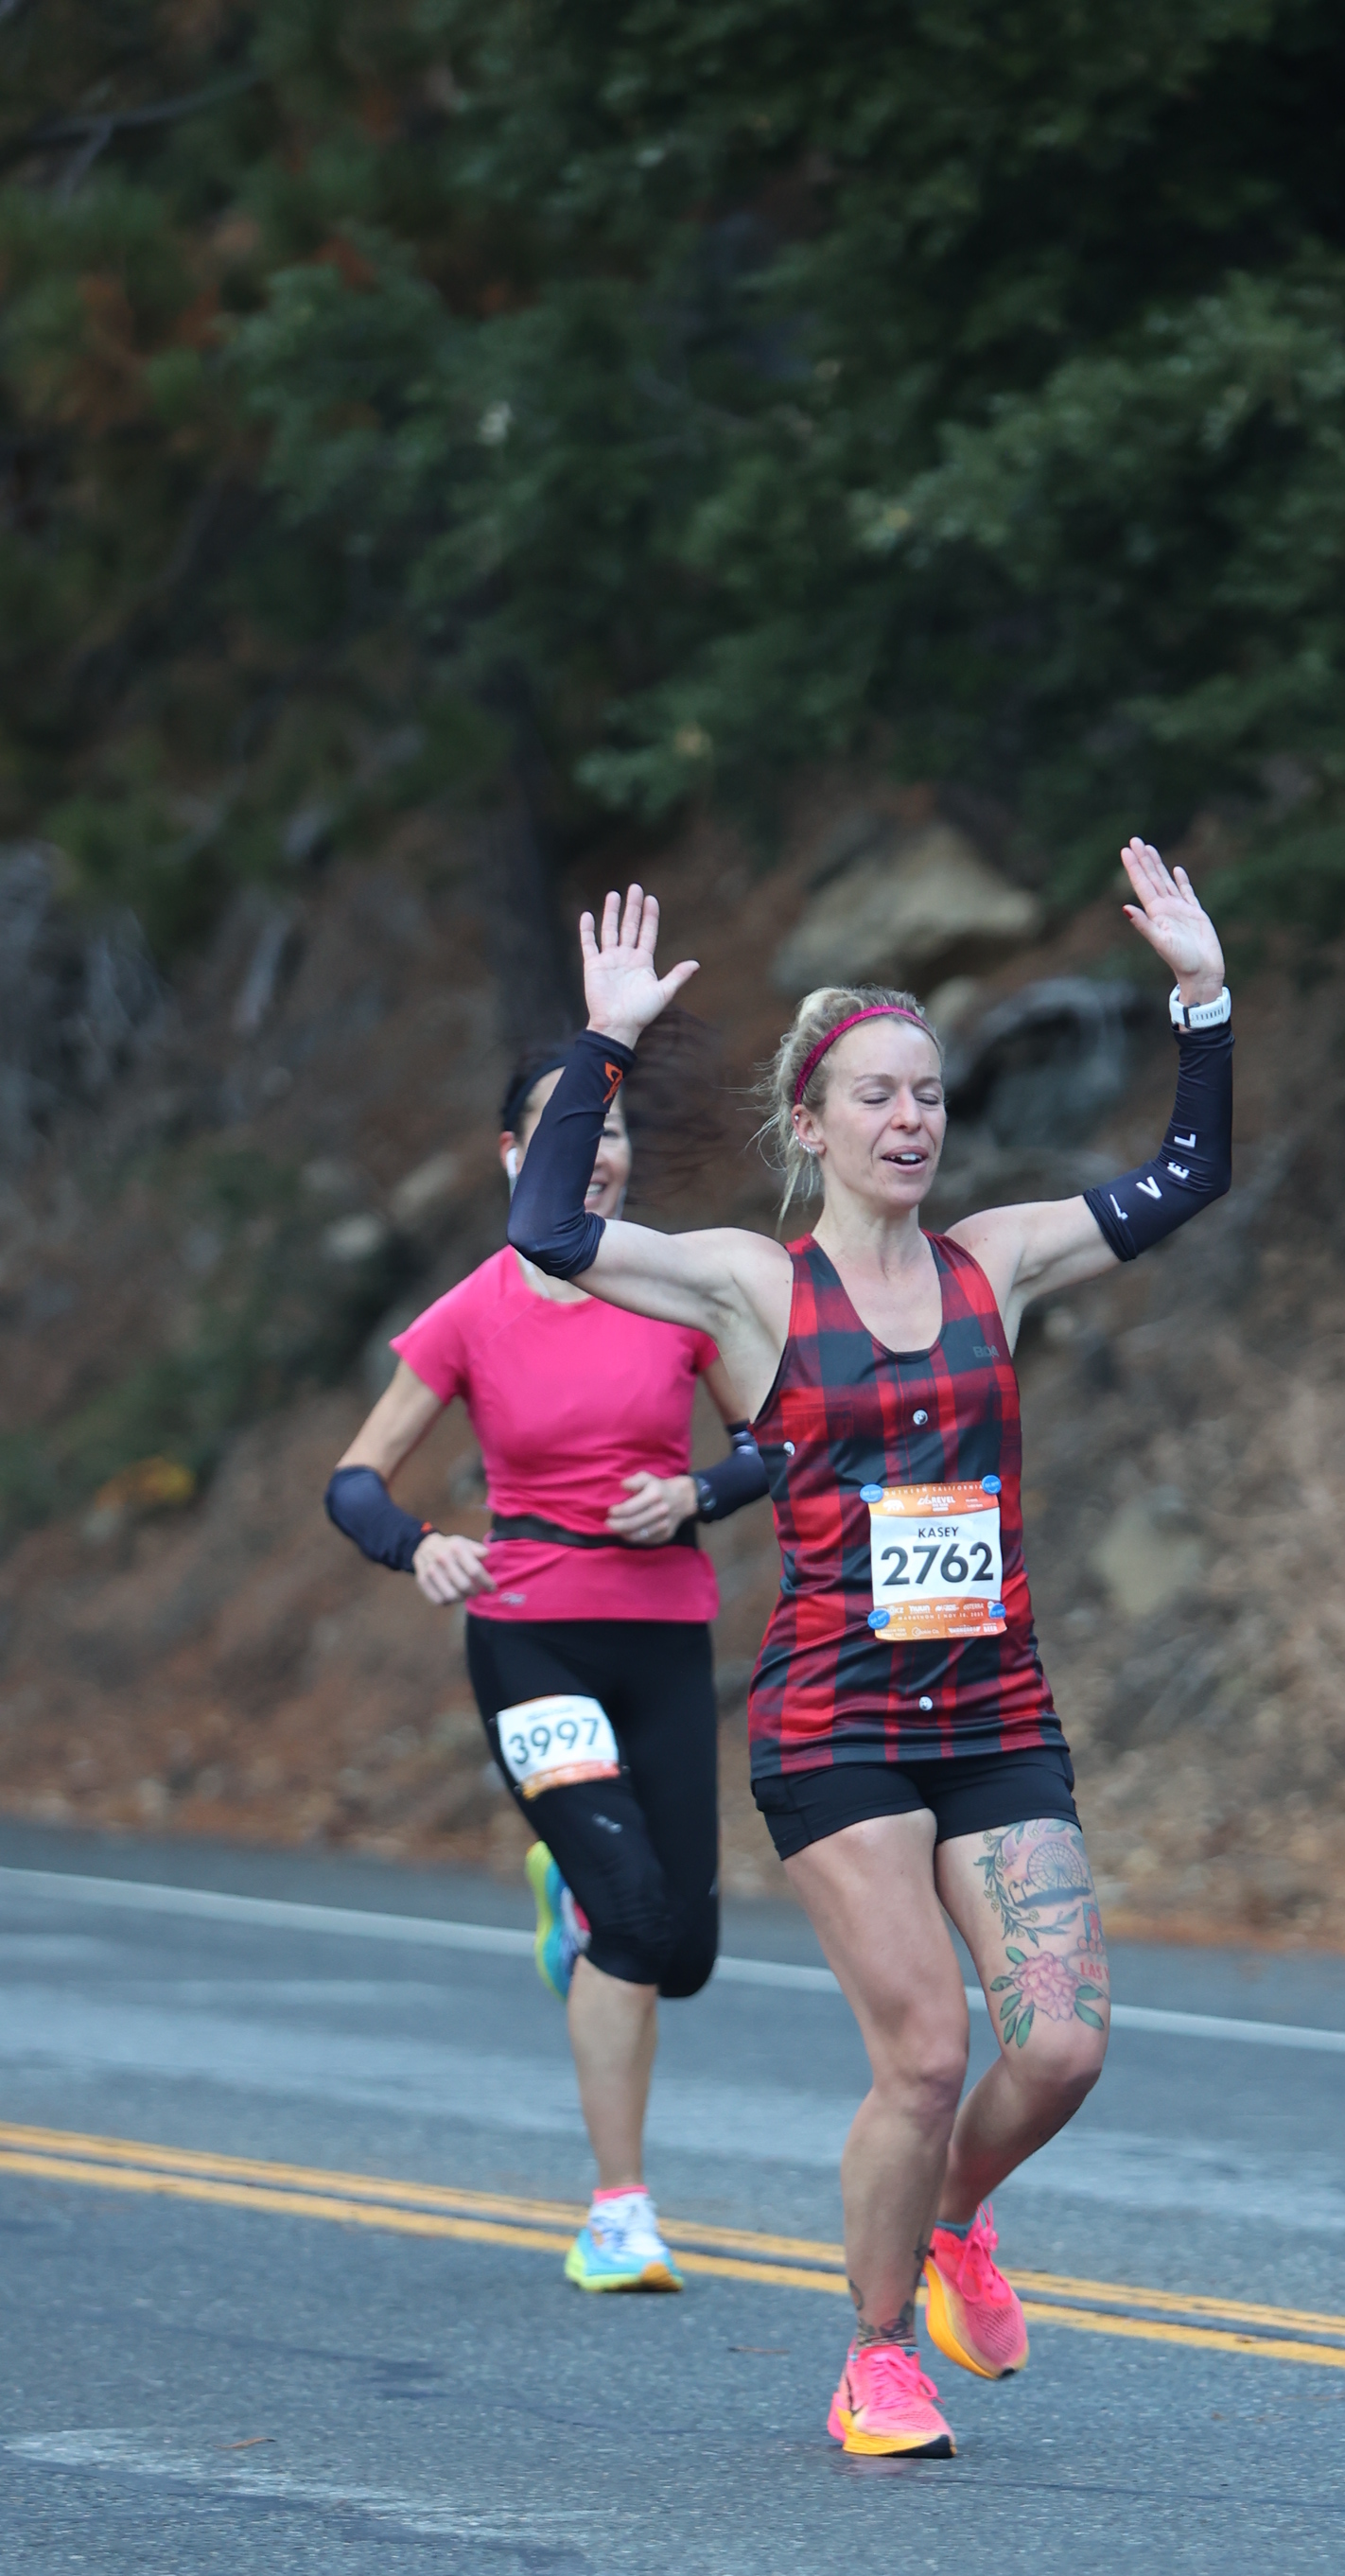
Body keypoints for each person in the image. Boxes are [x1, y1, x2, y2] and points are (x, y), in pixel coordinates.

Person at [506, 842, 1232, 2456]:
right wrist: (604, 1041)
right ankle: (878, 2355)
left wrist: (1202, 997)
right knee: (924, 2053)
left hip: (995, 1710)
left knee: (1063, 2048)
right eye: (876, 1096)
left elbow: (1190, 1176)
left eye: (929, 1094)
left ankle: (953, 2219)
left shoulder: (1000, 1259)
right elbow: (548, 1231)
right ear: (813, 1121)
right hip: (837, 1726)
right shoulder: (748, 1288)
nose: (911, 1119)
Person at [323, 1047, 776, 2292]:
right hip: (530, 1634)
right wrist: (418, 1545)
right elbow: (355, 1480)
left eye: (613, 1130)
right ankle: (617, 2215)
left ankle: (564, 1888)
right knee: (632, 1915)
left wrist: (695, 1493)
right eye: (573, 1130)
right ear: (518, 1157)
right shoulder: (474, 1310)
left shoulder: (677, 1291)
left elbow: (775, 1445)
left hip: (662, 1631)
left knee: (684, 1953)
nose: (600, 1150)